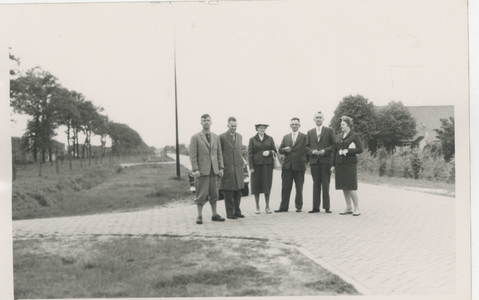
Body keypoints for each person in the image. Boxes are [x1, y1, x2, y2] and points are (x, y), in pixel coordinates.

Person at [189, 114, 225, 224]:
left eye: (208, 120)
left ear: (211, 122)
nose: (206, 122)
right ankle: (199, 216)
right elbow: (193, 154)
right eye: (204, 120)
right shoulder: (195, 137)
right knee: (201, 194)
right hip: (202, 171)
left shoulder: (216, 137)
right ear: (201, 122)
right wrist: (195, 169)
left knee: (214, 193)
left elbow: (219, 153)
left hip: (214, 171)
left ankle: (214, 214)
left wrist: (221, 167)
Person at [331, 116, 363, 216]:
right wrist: (332, 165)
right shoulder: (338, 136)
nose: (341, 126)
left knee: (351, 187)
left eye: (343, 125)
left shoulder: (354, 135)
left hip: (350, 164)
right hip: (339, 164)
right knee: (344, 187)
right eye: (341, 125)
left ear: (348, 125)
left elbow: (360, 149)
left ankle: (356, 208)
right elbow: (334, 151)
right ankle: (348, 207)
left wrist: (348, 151)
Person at [305, 111, 335, 213]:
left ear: (323, 119)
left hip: (325, 161)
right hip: (314, 161)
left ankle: (327, 207)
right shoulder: (310, 132)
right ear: (314, 119)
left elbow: (334, 145)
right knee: (315, 184)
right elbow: (306, 147)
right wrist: (312, 151)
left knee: (326, 184)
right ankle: (315, 207)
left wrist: (325, 151)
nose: (318, 119)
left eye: (320, 117)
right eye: (316, 117)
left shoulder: (329, 130)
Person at [275, 118, 307, 213]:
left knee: (299, 187)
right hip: (287, 166)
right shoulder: (286, 137)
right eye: (292, 124)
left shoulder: (304, 137)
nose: (294, 126)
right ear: (290, 125)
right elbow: (280, 150)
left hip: (299, 165)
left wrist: (305, 161)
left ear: (299, 125)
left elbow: (307, 150)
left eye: (296, 124)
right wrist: (285, 149)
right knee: (285, 187)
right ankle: (284, 207)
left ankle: (299, 206)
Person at [219, 117, 245, 219]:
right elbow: (219, 153)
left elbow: (239, 151)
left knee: (238, 190)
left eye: (235, 126)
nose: (233, 128)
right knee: (228, 191)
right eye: (232, 126)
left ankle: (237, 211)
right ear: (228, 125)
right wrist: (222, 166)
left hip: (238, 168)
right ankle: (230, 213)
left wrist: (242, 162)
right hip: (228, 167)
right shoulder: (222, 137)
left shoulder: (239, 137)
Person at [248, 124, 277, 214]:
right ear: (257, 129)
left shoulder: (270, 138)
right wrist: (251, 167)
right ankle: (257, 206)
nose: (262, 129)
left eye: (264, 128)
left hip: (267, 166)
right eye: (260, 128)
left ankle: (267, 206)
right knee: (256, 186)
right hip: (256, 166)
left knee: (267, 186)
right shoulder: (252, 139)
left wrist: (269, 152)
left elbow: (274, 151)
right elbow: (250, 154)